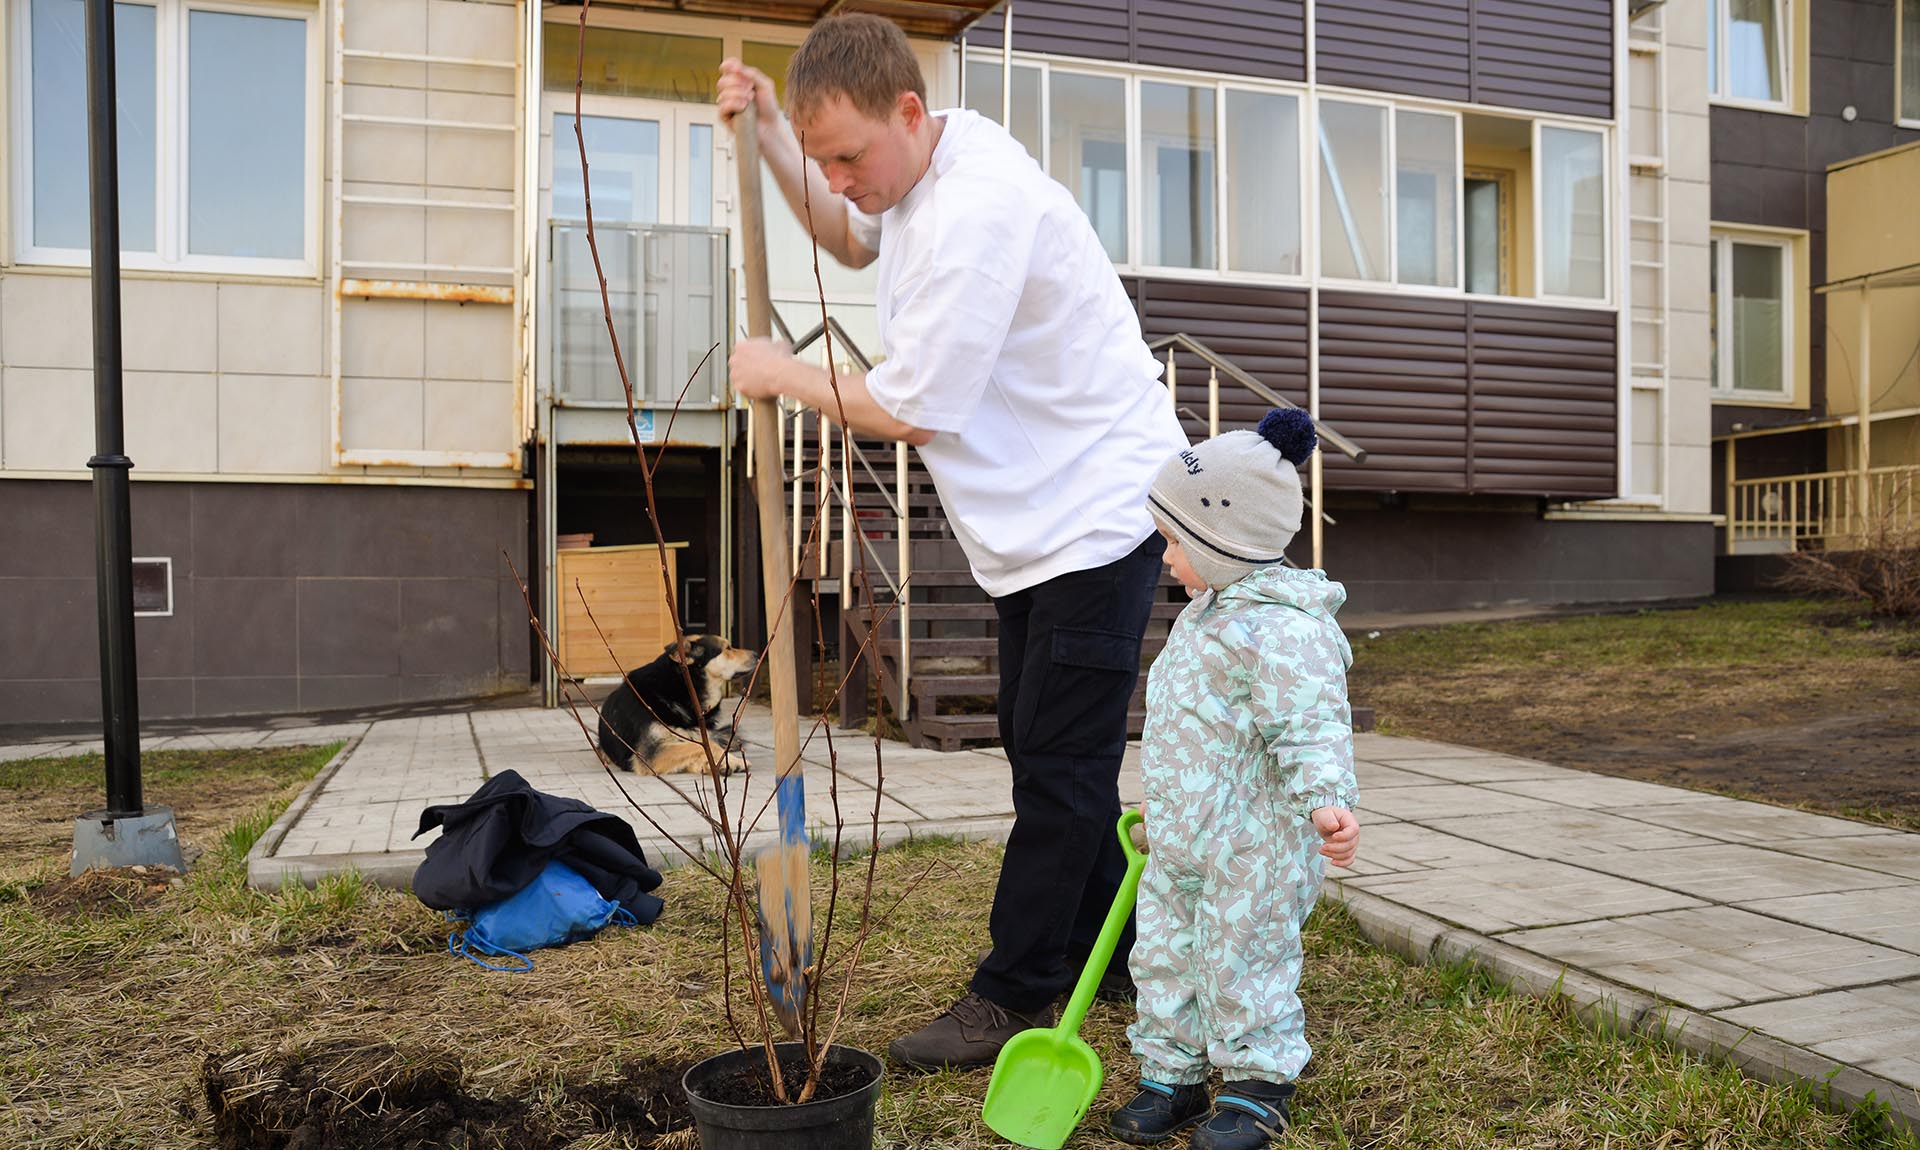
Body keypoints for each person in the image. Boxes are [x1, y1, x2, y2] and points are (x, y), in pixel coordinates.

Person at [716, 13, 1187, 1070]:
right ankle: (1128, 947)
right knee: (1046, 747)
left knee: (1059, 763)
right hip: (1036, 521)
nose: (840, 180)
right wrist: (771, 142)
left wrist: (783, 372)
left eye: (850, 156)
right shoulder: (914, 176)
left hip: (1097, 512)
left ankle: (1014, 990)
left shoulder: (979, 204)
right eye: (824, 157)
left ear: (911, 113)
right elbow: (843, 235)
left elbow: (916, 402)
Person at [1109, 409, 1361, 1149]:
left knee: (1244, 957)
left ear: (1227, 540)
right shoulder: (1206, 615)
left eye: (1175, 542)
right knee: (1163, 952)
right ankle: (1173, 1074)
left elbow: (1310, 722)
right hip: (1183, 837)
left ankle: (1257, 1084)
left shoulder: (1287, 628)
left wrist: (1326, 802)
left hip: (1256, 848)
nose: (1164, 557)